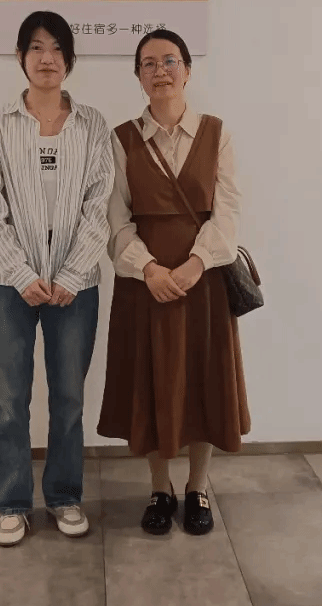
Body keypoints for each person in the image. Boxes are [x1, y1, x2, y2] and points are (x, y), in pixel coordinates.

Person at [0, 10, 113, 547]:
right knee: (10, 399)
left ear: (69, 59)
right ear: (21, 57)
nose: (46, 57)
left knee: (69, 398)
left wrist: (71, 274)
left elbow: (100, 206)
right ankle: (12, 503)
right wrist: (21, 273)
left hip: (77, 285)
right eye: (35, 47)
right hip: (9, 285)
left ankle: (64, 495)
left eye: (56, 48)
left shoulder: (92, 124)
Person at [97, 28, 250, 536]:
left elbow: (227, 212)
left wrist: (195, 264)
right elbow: (116, 218)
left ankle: (197, 487)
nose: (159, 70)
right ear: (138, 76)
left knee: (204, 382)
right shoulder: (121, 139)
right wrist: (148, 269)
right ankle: (159, 488)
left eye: (169, 60)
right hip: (145, 285)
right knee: (152, 383)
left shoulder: (217, 134)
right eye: (148, 63)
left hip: (203, 284)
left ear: (187, 70)